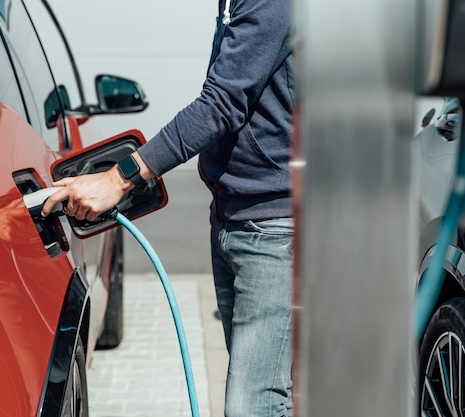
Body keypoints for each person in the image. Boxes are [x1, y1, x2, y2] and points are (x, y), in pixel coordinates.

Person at [42, 0, 294, 414]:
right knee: (264, 395)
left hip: (273, 225)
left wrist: (119, 177)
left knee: (254, 404)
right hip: (238, 216)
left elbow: (221, 103)